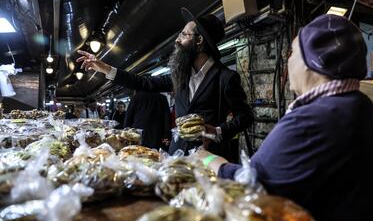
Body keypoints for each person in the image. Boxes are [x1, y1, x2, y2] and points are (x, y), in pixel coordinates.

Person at [193, 14, 373, 221]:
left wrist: (207, 159)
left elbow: (251, 183)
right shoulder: (363, 107)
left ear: (313, 61)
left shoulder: (316, 118)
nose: (287, 60)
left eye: (293, 52)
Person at [77, 8, 254, 162]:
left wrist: (217, 131)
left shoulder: (225, 77)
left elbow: (246, 116)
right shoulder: (180, 76)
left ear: (199, 41)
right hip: (176, 155)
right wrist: (105, 68)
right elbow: (144, 83)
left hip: (208, 157)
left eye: (184, 35)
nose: (177, 40)